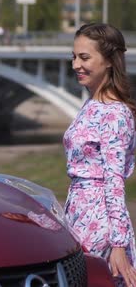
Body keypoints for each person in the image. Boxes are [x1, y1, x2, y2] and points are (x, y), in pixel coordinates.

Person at [64, 23, 136, 286]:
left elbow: (114, 182)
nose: (75, 65)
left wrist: (118, 244)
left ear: (108, 61)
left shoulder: (115, 114)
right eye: (74, 57)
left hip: (100, 221)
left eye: (84, 57)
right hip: (79, 212)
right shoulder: (92, 104)